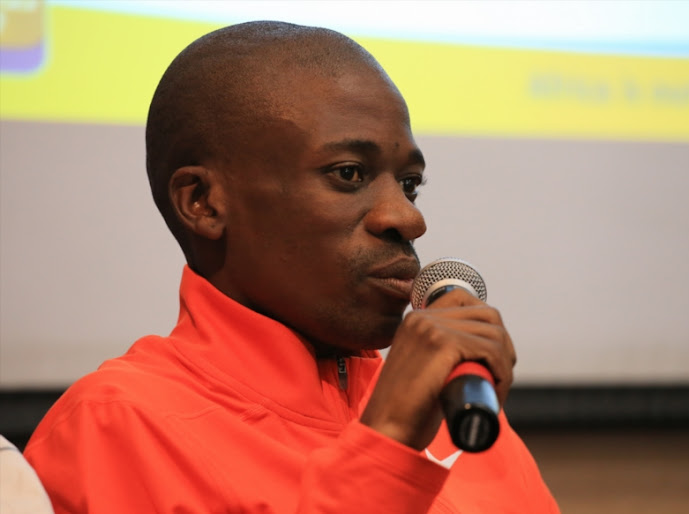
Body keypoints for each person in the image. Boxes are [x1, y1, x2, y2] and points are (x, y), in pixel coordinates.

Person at [24, 21, 559, 513]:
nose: (408, 217)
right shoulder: (117, 426)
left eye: (410, 183)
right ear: (204, 203)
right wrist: (388, 440)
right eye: (349, 173)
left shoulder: (459, 409)